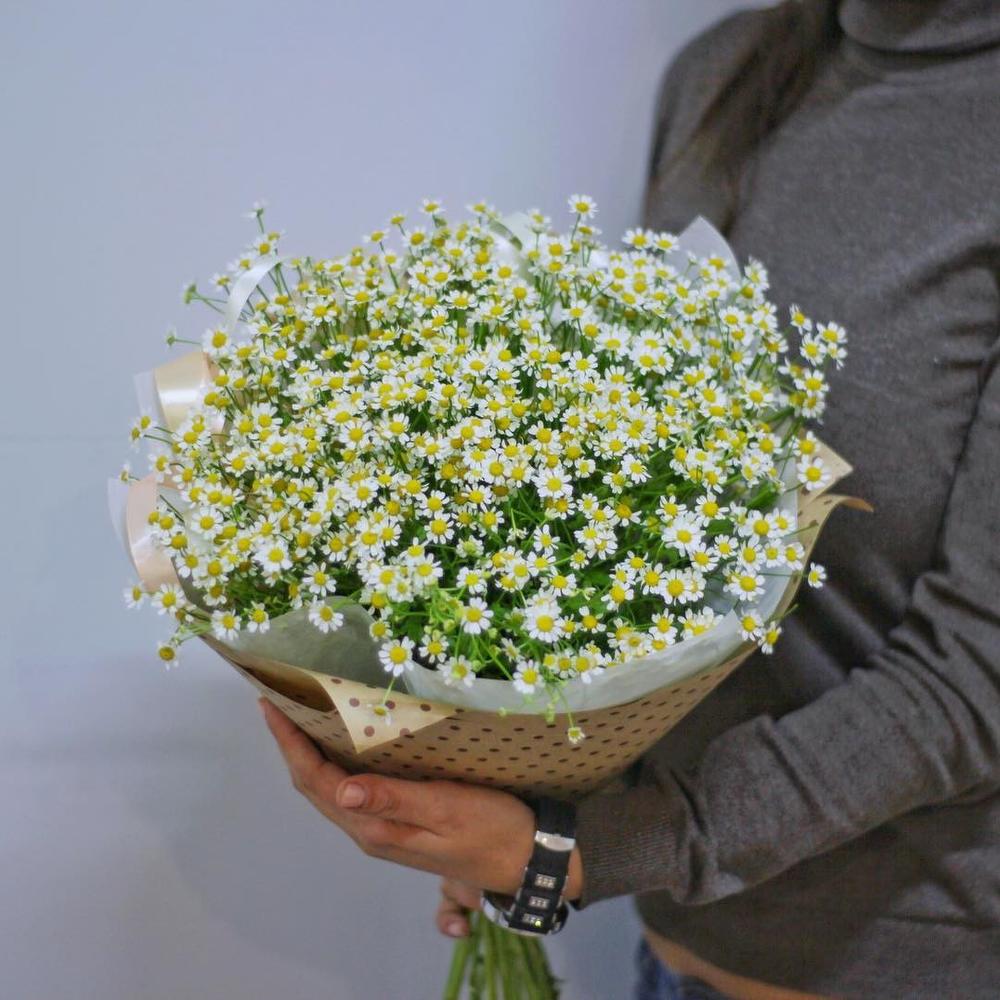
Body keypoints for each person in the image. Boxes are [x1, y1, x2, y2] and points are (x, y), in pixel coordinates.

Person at [260, 1, 1000, 996]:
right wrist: (484, 791)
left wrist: (572, 852)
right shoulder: (727, 74)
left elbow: (974, 678)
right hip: (669, 947)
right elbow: (636, 499)